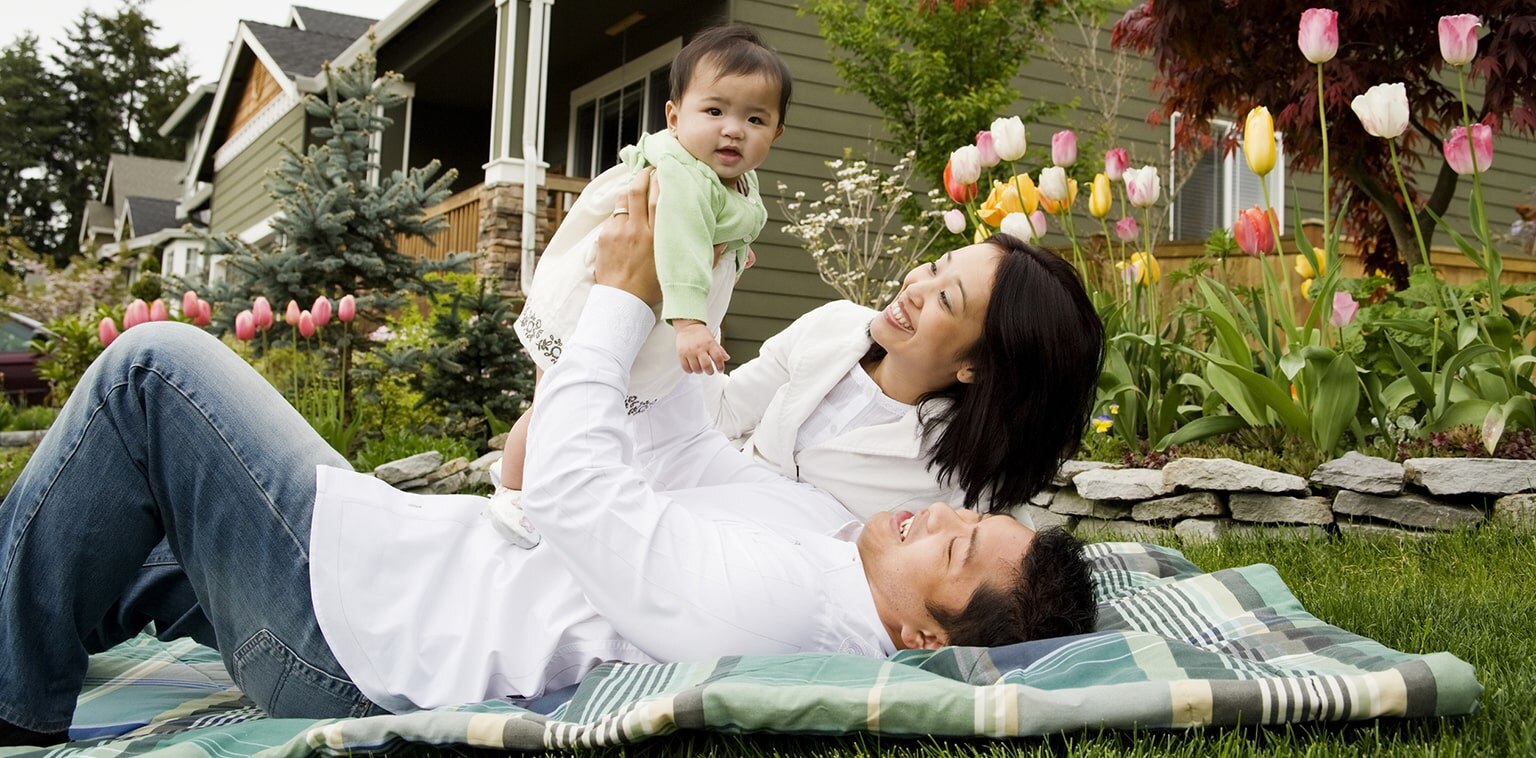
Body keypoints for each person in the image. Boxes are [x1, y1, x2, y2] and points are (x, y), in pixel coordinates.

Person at [0, 169, 1096, 748]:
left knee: (155, 368)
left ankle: (16, 700)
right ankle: (44, 606)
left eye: (954, 547)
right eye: (965, 520)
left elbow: (583, 496)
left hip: (355, 636)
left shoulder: (792, 610)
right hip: (412, 569)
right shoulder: (827, 539)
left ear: (917, 636)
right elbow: (684, 446)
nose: (936, 521)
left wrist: (618, 306)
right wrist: (675, 290)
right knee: (136, 541)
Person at [502, 24, 790, 491]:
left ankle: (548, 492)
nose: (733, 129)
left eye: (755, 120)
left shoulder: (730, 179)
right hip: (595, 306)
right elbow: (678, 245)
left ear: (776, 132)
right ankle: (515, 493)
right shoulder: (681, 179)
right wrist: (692, 324)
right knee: (552, 411)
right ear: (674, 118)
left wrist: (734, 256)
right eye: (714, 110)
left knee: (585, 415)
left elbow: (721, 227)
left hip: (635, 304)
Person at [702, 234, 1105, 521]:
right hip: (703, 510)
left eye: (946, 299)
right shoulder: (833, 325)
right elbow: (721, 414)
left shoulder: (963, 479)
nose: (916, 289)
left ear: (977, 366)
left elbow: (1008, 568)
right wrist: (701, 294)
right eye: (933, 267)